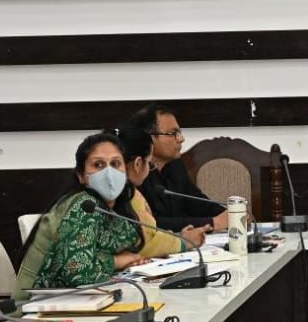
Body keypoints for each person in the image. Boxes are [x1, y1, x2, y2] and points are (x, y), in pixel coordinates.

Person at [15, 132, 144, 294]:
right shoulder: (84, 205)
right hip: (38, 304)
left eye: (115, 163)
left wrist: (124, 259)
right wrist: (117, 261)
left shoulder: (114, 206)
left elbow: (129, 242)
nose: (109, 173)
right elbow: (77, 274)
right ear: (81, 176)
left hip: (73, 298)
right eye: (98, 165)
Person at [114, 123, 207, 258]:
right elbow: (142, 243)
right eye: (150, 163)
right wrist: (183, 242)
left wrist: (177, 236)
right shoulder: (124, 196)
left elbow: (150, 234)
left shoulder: (129, 191)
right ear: (138, 164)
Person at [132, 105, 230, 232]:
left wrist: (230, 216)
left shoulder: (175, 164)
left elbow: (196, 202)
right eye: (173, 133)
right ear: (150, 138)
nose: (181, 139)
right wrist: (212, 223)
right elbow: (150, 223)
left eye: (179, 133)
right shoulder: (135, 172)